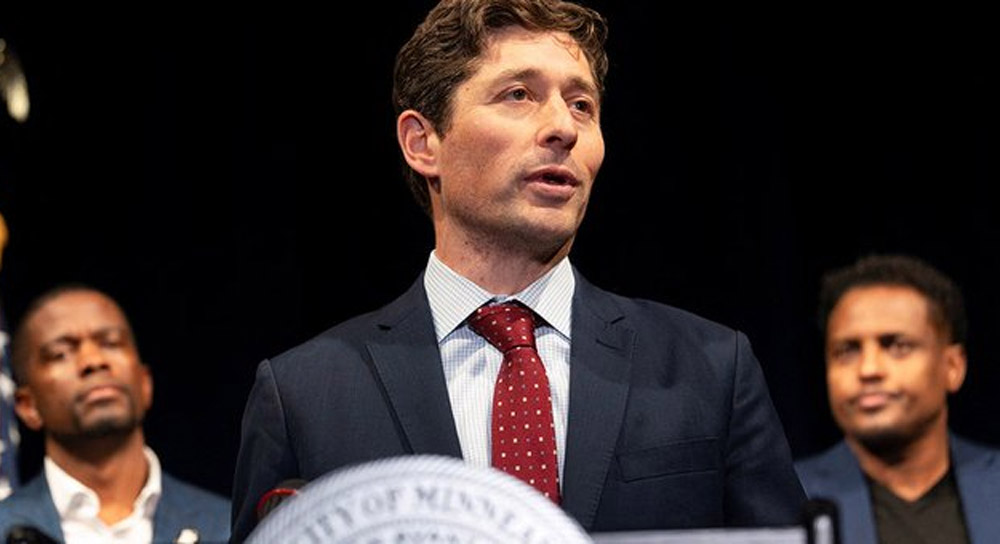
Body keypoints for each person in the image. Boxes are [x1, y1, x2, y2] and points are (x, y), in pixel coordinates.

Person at [231, 0, 806, 540]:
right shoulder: (304, 396)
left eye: (582, 105)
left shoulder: (710, 370)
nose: (564, 127)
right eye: (518, 94)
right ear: (423, 142)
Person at [0, 286, 231, 543]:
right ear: (28, 406)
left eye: (111, 343)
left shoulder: (230, 528)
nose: (93, 361)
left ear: (145, 383)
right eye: (61, 353)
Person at [795, 254, 1000, 544]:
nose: (868, 369)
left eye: (897, 346)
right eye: (847, 351)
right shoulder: (788, 500)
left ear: (952, 367)